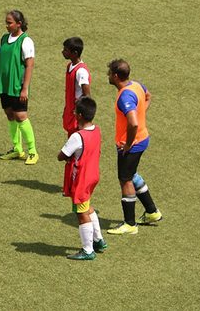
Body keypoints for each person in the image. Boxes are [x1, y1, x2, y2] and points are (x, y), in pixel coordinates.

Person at [105, 60, 163, 235]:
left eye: (109, 73)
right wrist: (141, 112)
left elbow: (133, 123)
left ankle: (130, 224)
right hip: (142, 138)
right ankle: (152, 212)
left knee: (125, 180)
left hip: (132, 145)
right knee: (132, 174)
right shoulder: (137, 85)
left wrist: (128, 144)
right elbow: (148, 96)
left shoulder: (125, 97)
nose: (108, 75)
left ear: (116, 76)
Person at [57, 97, 107, 260]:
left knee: (81, 212)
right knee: (87, 206)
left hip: (81, 179)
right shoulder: (97, 130)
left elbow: (61, 155)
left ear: (79, 115)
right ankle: (98, 241)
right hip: (93, 175)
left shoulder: (77, 137)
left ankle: (88, 250)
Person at [0, 10, 39, 165]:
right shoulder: (4, 39)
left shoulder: (26, 41)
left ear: (19, 24)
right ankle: (17, 148)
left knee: (21, 116)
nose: (7, 25)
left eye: (9, 23)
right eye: (6, 22)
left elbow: (29, 65)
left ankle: (32, 151)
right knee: (10, 114)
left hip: (17, 85)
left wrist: (25, 88)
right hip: (4, 85)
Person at [62, 37, 91, 137]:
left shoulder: (81, 71)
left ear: (74, 53)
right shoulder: (70, 66)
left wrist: (79, 112)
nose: (63, 52)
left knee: (76, 139)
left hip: (77, 116)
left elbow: (87, 96)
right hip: (70, 111)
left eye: (66, 50)